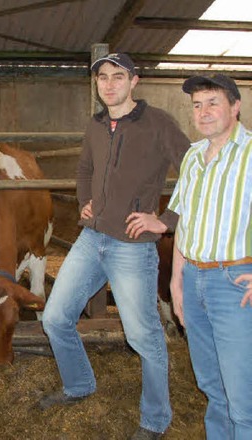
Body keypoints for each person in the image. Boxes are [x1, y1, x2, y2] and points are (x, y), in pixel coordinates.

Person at [37, 53, 190, 440]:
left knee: (143, 336)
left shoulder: (159, 124)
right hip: (92, 239)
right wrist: (86, 199)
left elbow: (194, 174)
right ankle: (79, 385)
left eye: (117, 76)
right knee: (55, 317)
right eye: (102, 77)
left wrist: (165, 221)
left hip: (133, 247)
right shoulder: (96, 124)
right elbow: (85, 168)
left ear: (134, 81)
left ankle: (155, 419)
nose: (108, 84)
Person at [164, 75, 251, 439]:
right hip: (194, 281)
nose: (204, 112)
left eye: (213, 103)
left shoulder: (249, 155)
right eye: (197, 105)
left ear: (235, 107)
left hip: (234, 283)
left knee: (242, 396)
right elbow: (184, 222)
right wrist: (176, 282)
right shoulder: (193, 157)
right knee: (212, 388)